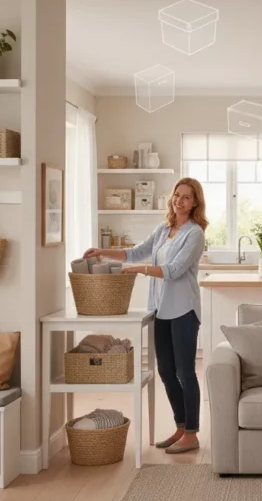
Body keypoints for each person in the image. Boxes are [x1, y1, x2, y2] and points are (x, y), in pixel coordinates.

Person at [84, 177, 207, 454]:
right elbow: (136, 252)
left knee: (185, 372)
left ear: (195, 202)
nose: (180, 200)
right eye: (177, 195)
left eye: (187, 197)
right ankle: (180, 426)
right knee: (165, 371)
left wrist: (139, 270)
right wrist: (103, 252)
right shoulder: (165, 230)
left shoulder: (194, 233)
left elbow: (173, 271)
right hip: (160, 309)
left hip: (184, 310)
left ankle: (192, 433)